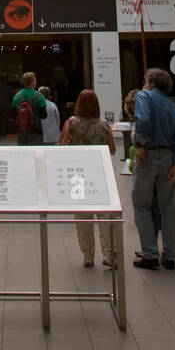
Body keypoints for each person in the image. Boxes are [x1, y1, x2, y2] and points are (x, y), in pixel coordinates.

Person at [131, 67, 175, 269]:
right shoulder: (173, 106)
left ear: (151, 82)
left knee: (142, 205)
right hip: (169, 157)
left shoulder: (144, 96)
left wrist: (141, 144)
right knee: (168, 207)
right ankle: (170, 255)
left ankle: (150, 254)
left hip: (149, 156)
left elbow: (143, 120)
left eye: (145, 79)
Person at [60, 90, 116, 267]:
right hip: (99, 172)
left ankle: (88, 255)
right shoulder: (104, 124)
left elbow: (62, 146)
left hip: (79, 174)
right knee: (104, 215)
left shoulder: (72, 122)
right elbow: (112, 150)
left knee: (83, 216)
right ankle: (107, 253)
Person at [12, 71, 46, 145]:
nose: (36, 81)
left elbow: (13, 115)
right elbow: (44, 116)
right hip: (36, 130)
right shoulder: (40, 96)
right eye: (35, 80)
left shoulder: (17, 96)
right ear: (32, 82)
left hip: (21, 130)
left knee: (22, 153)